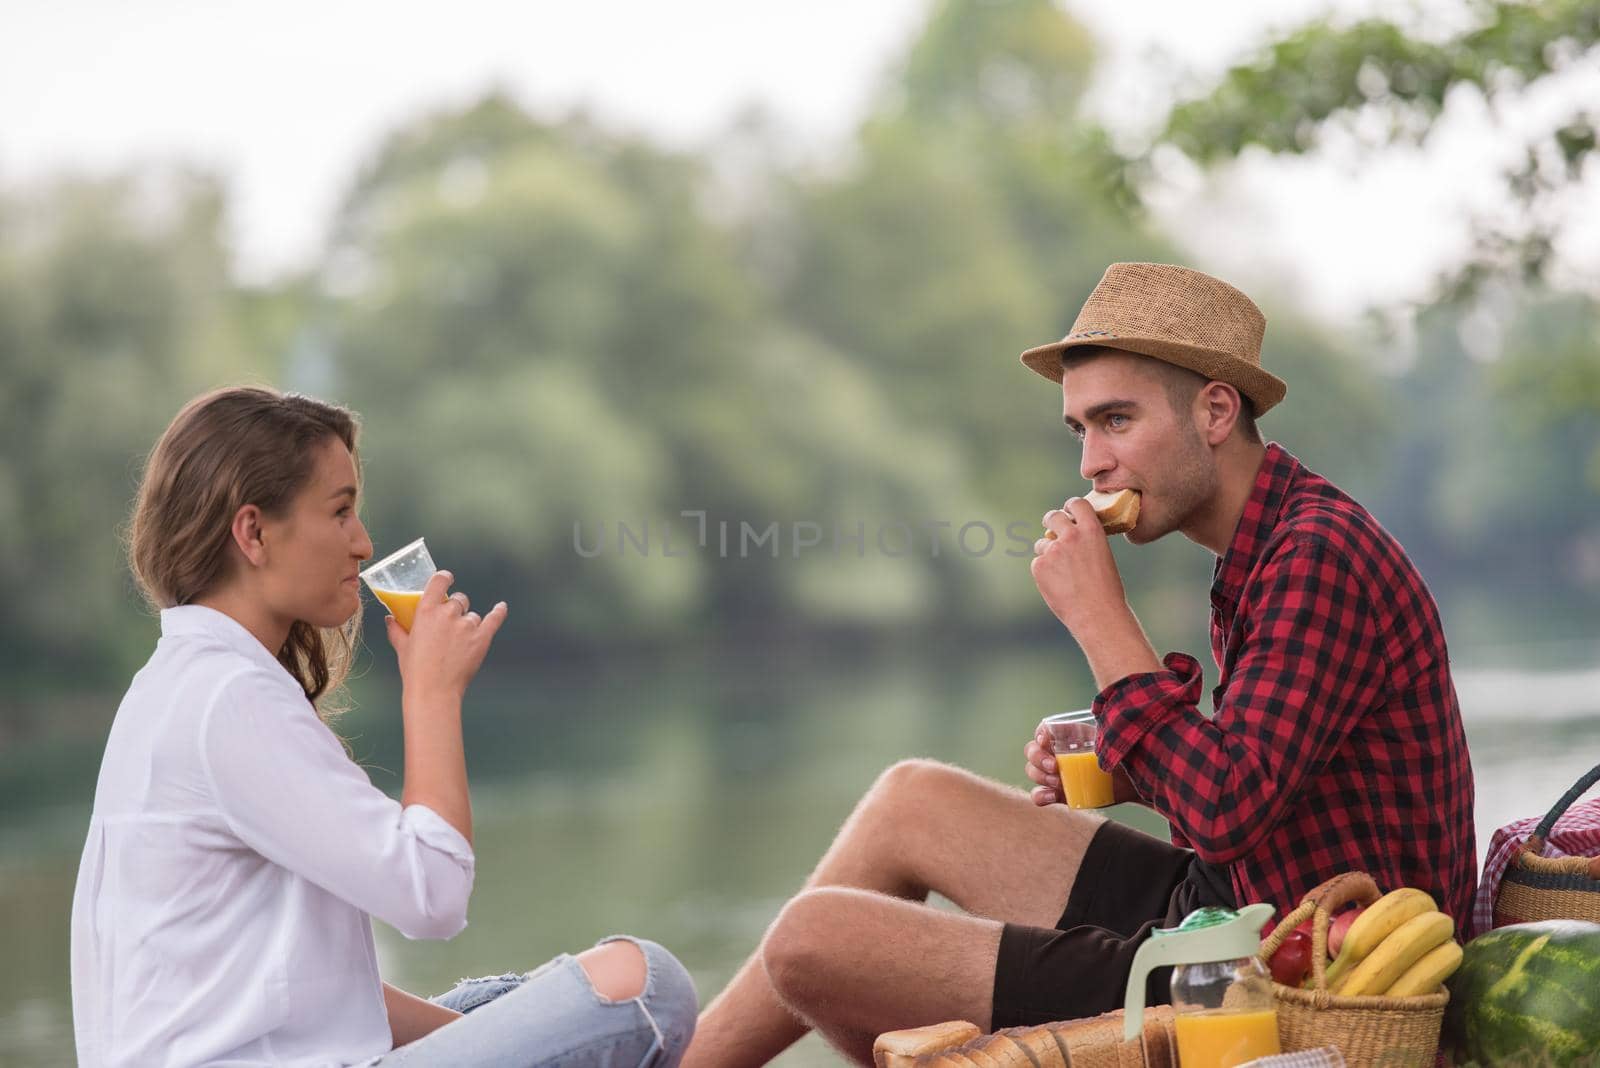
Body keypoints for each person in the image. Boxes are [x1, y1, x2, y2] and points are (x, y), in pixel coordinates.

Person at [681, 263, 1476, 1067]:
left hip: (1293, 971)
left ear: (1214, 410)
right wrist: (1133, 773)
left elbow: (1227, 809)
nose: (1091, 462)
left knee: (811, 943)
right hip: (1230, 905)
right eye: (1081, 430)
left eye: (1117, 421)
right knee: (909, 801)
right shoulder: (1265, 546)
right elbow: (1259, 786)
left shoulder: (1317, 553)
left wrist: (1101, 617)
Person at [70, 386, 698, 1067]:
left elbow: (307, 991)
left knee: (530, 996)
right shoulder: (227, 696)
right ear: (253, 533)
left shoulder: (180, 684)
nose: (363, 544)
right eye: (340, 512)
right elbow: (432, 897)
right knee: (645, 985)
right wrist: (432, 692)